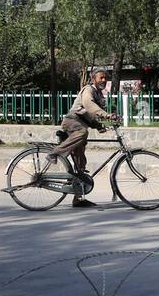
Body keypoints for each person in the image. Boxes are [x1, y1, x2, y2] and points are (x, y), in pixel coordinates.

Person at [46, 69, 116, 208]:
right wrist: (106, 115)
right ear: (93, 79)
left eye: (105, 78)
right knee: (83, 133)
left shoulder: (98, 94)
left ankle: (78, 199)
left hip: (79, 124)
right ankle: (55, 153)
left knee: (80, 163)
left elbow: (89, 115)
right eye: (101, 77)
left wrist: (99, 126)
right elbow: (89, 106)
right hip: (72, 122)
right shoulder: (88, 90)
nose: (104, 80)